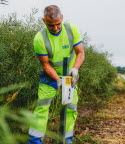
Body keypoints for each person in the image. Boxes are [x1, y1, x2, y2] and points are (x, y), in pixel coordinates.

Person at [28, 5, 84, 144]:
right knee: (41, 108)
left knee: (71, 108)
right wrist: (57, 80)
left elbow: (80, 52)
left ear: (62, 18)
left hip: (69, 77)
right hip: (49, 77)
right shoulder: (39, 38)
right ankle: (35, 141)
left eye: (58, 24)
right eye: (51, 25)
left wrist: (75, 69)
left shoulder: (71, 30)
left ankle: (67, 139)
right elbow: (45, 64)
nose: (55, 28)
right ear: (43, 21)